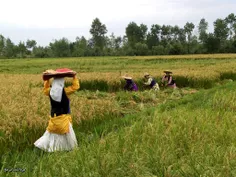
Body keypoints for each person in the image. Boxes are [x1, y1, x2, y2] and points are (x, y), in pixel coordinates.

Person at [34, 73, 80, 152]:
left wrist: (47, 80)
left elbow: (45, 89)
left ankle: (53, 149)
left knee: (53, 135)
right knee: (68, 137)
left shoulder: (50, 91)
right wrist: (74, 77)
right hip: (64, 119)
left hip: (54, 118)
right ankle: (69, 150)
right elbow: (75, 87)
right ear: (61, 82)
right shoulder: (65, 91)